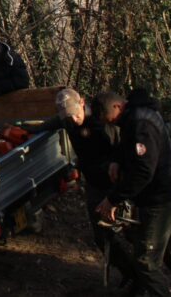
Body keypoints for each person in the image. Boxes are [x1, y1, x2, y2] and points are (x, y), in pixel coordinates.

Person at [94, 89, 171, 297]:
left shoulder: (141, 123)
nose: (110, 123)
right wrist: (117, 161)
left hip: (161, 199)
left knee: (145, 262)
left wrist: (113, 199)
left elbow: (143, 171)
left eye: (108, 119)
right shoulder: (132, 117)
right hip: (167, 195)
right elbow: (127, 146)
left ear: (117, 106)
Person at [30, 88, 135, 286]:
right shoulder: (66, 120)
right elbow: (48, 125)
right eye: (67, 116)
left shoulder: (101, 120)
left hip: (114, 184)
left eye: (75, 114)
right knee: (101, 236)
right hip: (94, 185)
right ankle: (129, 271)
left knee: (130, 230)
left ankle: (146, 276)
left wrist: (118, 184)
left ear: (82, 103)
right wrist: (26, 130)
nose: (73, 119)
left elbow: (121, 150)